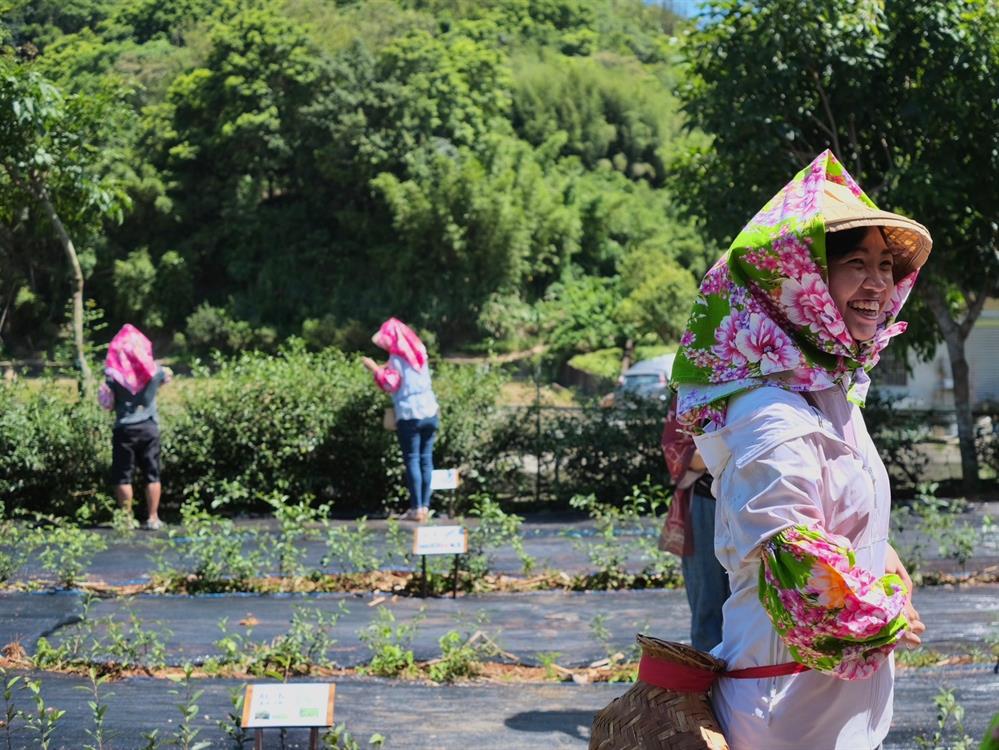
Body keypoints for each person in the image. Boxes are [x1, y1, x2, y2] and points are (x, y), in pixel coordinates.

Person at [670, 150, 929, 749]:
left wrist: (879, 552)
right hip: (787, 711)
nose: (879, 284)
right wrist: (888, 613)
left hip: (833, 704)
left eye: (886, 265)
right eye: (856, 264)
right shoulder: (768, 413)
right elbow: (795, 565)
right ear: (800, 282)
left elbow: (832, 512)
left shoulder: (830, 395)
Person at [660, 399, 730, 651]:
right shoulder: (690, 393)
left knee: (752, 603)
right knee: (707, 604)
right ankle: (707, 685)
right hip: (705, 506)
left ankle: (744, 682)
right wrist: (737, 437)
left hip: (752, 502)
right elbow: (683, 454)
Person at [362, 318, 440, 522]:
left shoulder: (397, 358)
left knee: (412, 458)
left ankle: (416, 508)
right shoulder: (419, 353)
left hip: (410, 414)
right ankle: (425, 506)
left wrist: (374, 368)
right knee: (426, 459)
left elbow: (390, 383)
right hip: (430, 411)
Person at [98, 324, 172, 530]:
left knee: (123, 475)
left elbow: (107, 403)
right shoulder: (154, 372)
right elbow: (166, 376)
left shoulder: (113, 375)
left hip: (124, 429)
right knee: (152, 473)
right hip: (149, 427)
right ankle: (153, 518)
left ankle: (127, 518)